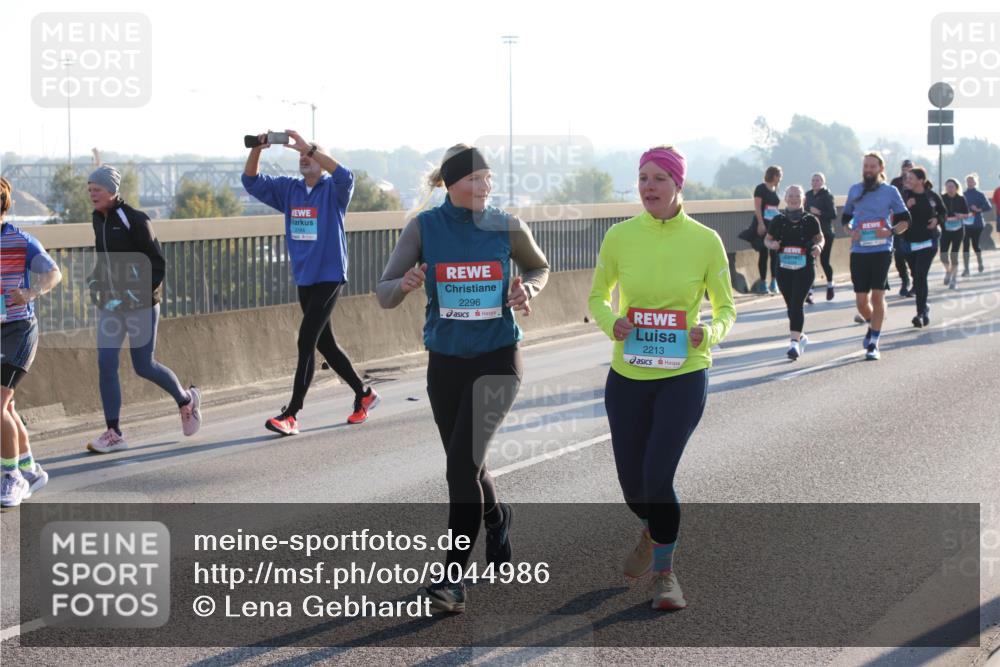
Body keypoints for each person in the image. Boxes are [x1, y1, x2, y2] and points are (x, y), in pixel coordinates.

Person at [377, 144, 549, 613]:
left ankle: (452, 580)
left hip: (498, 358)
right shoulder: (424, 227)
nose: (484, 187)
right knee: (467, 464)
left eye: (488, 178)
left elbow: (538, 266)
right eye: (474, 179)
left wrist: (525, 288)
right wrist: (406, 284)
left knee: (458, 467)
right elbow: (383, 294)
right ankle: (497, 519)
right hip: (446, 363)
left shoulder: (507, 225)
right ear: (450, 184)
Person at [589, 145, 736, 610]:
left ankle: (666, 577)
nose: (649, 187)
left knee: (657, 475)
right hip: (628, 374)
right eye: (643, 178)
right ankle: (653, 531)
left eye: (659, 180)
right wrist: (610, 320)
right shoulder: (619, 237)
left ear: (679, 187)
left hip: (684, 373)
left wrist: (708, 331)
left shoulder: (706, 241)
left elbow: (727, 307)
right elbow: (597, 296)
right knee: (633, 486)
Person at [242, 130, 379, 435]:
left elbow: (346, 174)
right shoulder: (289, 190)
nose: (304, 158)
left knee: (306, 340)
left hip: (330, 274)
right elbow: (250, 182)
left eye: (310, 155)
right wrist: (258, 150)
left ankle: (291, 414)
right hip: (305, 276)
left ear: (320, 160)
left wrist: (311, 147)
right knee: (325, 344)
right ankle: (364, 394)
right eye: (301, 155)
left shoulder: (334, 190)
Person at [85, 166, 202, 453]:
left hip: (141, 305)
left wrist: (135, 294)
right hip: (111, 305)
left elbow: (157, 264)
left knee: (143, 365)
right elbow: (103, 257)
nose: (91, 195)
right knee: (106, 362)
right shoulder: (97, 219)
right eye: (89, 190)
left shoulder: (134, 219)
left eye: (96, 189)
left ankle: (186, 400)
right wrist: (96, 283)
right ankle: (114, 432)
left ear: (111, 190)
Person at [1, 177, 62, 507]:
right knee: (7, 407)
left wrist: (30, 292)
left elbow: (54, 273)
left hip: (19, 330)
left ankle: (11, 477)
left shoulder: (20, 241)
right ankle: (30, 470)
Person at [841, 152, 911, 361]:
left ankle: (874, 343)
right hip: (859, 251)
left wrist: (890, 231)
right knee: (861, 302)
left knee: (877, 296)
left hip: (881, 250)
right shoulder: (855, 190)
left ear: (881, 168)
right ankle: (873, 325)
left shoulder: (890, 191)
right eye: (865, 166)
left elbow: (905, 220)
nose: (868, 170)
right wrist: (850, 230)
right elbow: (845, 220)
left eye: (872, 166)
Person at [765, 186, 824, 359]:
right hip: (783, 268)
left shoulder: (810, 220)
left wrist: (818, 246)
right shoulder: (778, 220)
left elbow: (820, 237)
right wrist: (772, 245)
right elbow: (767, 239)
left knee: (797, 303)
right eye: (790, 195)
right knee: (791, 306)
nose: (793, 199)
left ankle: (794, 344)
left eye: (797, 196)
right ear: (785, 198)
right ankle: (801, 336)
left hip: (804, 268)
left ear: (803, 199)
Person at [901, 168, 945, 327]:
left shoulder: (932, 196)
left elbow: (943, 212)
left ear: (920, 180)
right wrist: (906, 206)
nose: (908, 181)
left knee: (920, 275)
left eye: (911, 178)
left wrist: (937, 220)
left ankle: (920, 313)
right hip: (909, 243)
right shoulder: (905, 196)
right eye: (907, 178)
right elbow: (896, 217)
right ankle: (924, 306)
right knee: (916, 276)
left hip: (928, 242)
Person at [804, 173, 837, 302]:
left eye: (818, 180)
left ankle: (830, 284)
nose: (815, 182)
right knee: (811, 262)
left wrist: (819, 212)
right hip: (811, 233)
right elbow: (804, 211)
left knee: (824, 261)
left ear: (823, 182)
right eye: (813, 180)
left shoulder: (827, 195)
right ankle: (810, 292)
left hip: (826, 232)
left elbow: (833, 214)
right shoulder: (808, 195)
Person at [753, 166, 783, 294]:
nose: (780, 179)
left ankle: (774, 282)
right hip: (764, 224)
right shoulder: (761, 188)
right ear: (774, 176)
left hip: (774, 224)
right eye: (779, 176)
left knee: (775, 253)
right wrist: (760, 223)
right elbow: (758, 208)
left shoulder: (776, 189)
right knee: (764, 253)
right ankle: (763, 282)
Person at [890, 159, 915, 297]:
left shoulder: (917, 181)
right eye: (905, 168)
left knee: (912, 255)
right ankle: (904, 280)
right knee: (898, 254)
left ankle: (916, 281)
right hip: (899, 223)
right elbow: (890, 200)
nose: (907, 170)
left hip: (915, 225)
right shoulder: (896, 183)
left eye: (910, 168)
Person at [939, 178, 968, 290]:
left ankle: (954, 280)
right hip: (945, 230)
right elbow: (937, 212)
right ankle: (948, 271)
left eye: (952, 186)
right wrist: (942, 217)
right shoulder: (942, 198)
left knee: (954, 255)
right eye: (948, 186)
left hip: (958, 230)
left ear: (956, 188)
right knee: (943, 255)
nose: (949, 188)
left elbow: (967, 214)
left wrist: (961, 215)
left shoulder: (961, 199)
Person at [962, 173, 992, 274]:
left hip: (977, 224)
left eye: (971, 181)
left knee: (975, 245)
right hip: (965, 224)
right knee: (965, 245)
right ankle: (966, 269)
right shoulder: (963, 194)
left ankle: (980, 263)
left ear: (975, 182)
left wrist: (979, 209)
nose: (970, 183)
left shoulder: (980, 194)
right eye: (968, 181)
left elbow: (988, 207)